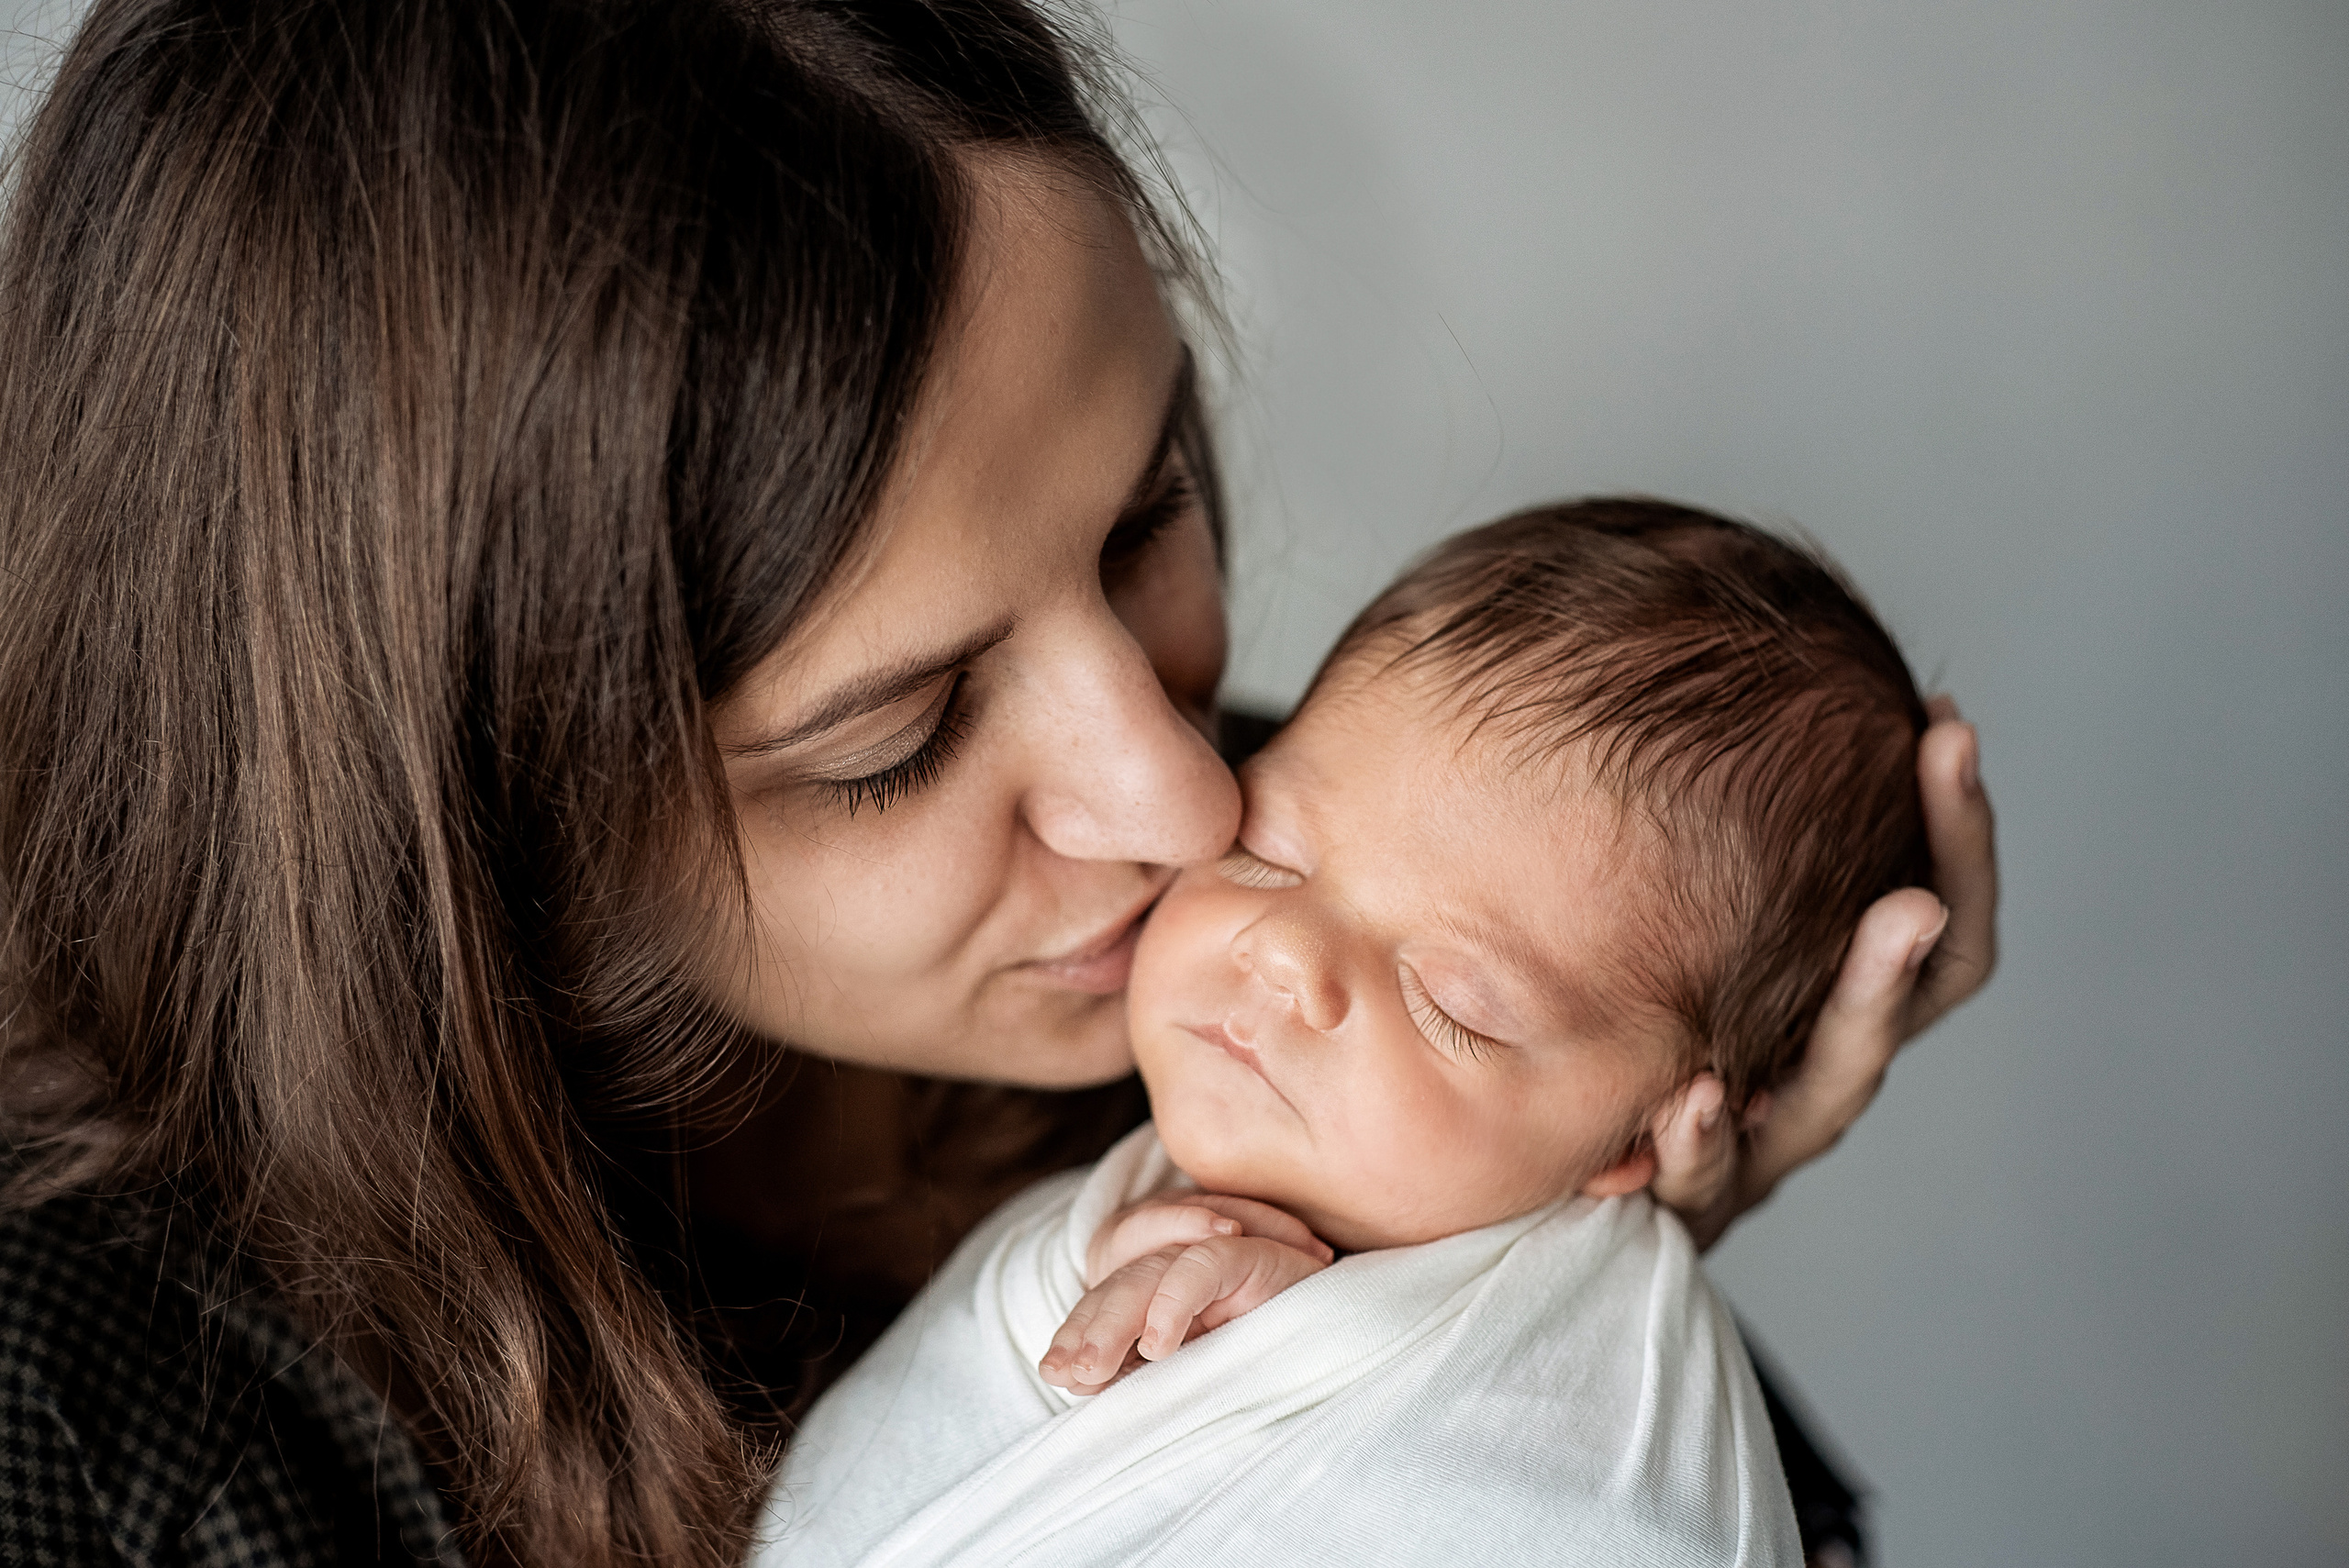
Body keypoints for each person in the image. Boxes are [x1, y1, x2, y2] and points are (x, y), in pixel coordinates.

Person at [0, 3, 1997, 1565]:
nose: (1180, 799)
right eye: (896, 734)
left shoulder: (1319, 941)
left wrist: (1518, 1306)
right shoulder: (93, 1420)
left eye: (1147, 519)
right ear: (443, 825)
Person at [758, 500, 1924, 1566]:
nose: (1286, 951)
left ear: (1640, 1137)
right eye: (1265, 852)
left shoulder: (1607, 1459)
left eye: (1452, 1000)